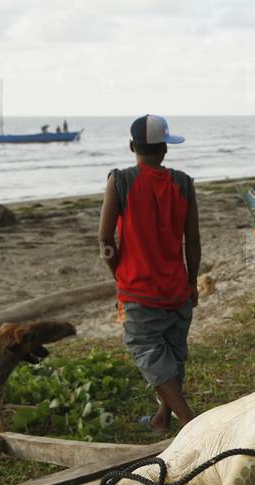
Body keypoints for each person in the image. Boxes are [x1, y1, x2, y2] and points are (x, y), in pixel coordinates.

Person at [97, 114, 199, 434]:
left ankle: (188, 421)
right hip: (176, 287)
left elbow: (104, 239)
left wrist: (118, 271)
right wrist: (192, 280)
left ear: (132, 146)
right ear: (164, 149)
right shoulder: (183, 182)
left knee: (149, 354)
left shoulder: (121, 180)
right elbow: (192, 240)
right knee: (172, 354)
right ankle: (161, 419)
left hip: (138, 289)